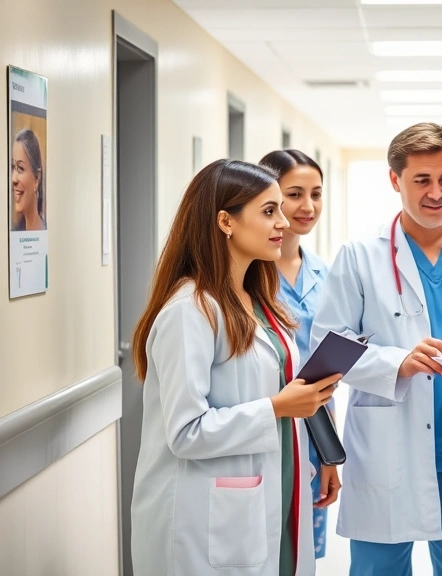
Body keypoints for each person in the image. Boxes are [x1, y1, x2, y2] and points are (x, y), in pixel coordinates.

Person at [129, 159, 342, 576]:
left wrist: (304, 442)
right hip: (205, 518)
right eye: (269, 211)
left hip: (269, 493)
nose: (284, 222)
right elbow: (185, 432)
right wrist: (278, 408)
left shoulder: (258, 300)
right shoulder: (190, 310)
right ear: (226, 221)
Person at [310, 122, 442, 576]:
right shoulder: (359, 256)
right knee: (378, 569)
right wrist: (397, 362)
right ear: (395, 180)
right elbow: (326, 349)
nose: (436, 192)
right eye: (422, 180)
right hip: (388, 449)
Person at [259, 149, 340, 561]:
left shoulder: (327, 276)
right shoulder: (247, 275)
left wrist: (329, 455)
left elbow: (328, 376)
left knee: (304, 556)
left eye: (316, 193)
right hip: (261, 425)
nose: (308, 207)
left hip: (313, 433)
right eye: (294, 194)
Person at [11, 128, 45, 231]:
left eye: (20, 168)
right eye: (13, 167)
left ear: (36, 179)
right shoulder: (17, 230)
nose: (13, 179)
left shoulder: (44, 231)